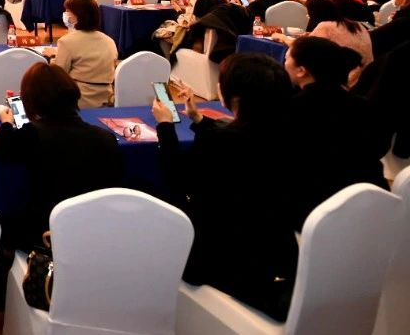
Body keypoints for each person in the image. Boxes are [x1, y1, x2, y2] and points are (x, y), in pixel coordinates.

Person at [153, 55, 297, 320]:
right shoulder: (289, 136)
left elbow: (177, 178)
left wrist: (164, 126)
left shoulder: (223, 142)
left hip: (221, 260)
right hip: (275, 253)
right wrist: (199, 120)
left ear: (237, 97)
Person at [0, 63, 123, 250]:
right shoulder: (106, 138)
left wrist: (6, 122)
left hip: (46, 234)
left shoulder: (33, 135)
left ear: (31, 100)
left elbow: (3, 148)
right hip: (97, 233)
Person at [283, 37, 390, 227]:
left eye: (287, 59)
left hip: (317, 216)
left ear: (301, 71)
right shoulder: (364, 107)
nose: (284, 63)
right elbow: (380, 147)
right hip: (373, 206)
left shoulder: (290, 111)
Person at [52, 0, 118, 108]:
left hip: (79, 100)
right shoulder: (109, 41)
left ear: (78, 15)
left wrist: (52, 59)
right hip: (107, 99)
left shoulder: (66, 41)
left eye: (68, 11)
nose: (65, 14)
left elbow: (59, 75)